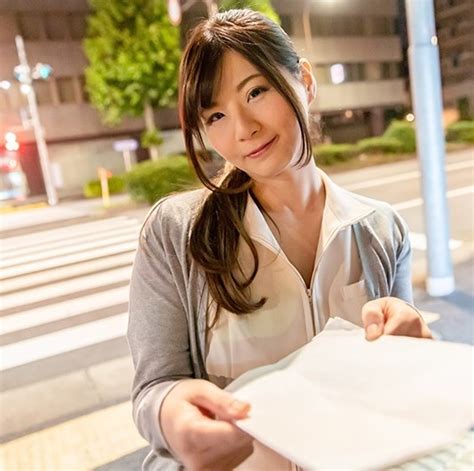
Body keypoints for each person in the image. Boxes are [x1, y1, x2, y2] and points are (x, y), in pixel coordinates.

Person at [127, 8, 432, 470]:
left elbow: (399, 390)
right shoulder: (176, 233)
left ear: (304, 81)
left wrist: (415, 349)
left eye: (256, 91)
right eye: (215, 115)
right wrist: (171, 413)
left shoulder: (381, 229)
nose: (243, 129)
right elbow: (154, 388)